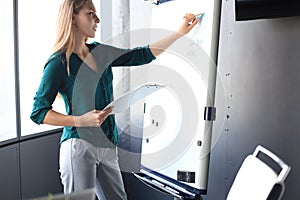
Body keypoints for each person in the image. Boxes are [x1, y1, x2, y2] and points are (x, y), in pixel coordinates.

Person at [30, 0, 199, 199]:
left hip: (108, 144)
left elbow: (141, 55)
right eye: (90, 13)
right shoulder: (59, 63)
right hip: (79, 145)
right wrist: (80, 120)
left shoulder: (100, 52)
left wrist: (179, 33)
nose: (97, 20)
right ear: (73, 18)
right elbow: (39, 112)